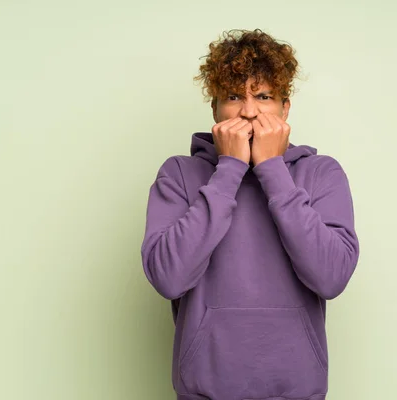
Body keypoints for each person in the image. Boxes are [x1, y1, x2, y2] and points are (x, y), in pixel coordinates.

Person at [141, 29, 360, 400]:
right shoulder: (179, 173)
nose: (249, 110)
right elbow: (168, 278)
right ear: (214, 109)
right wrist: (228, 169)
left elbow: (332, 278)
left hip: (297, 390)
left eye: (263, 96)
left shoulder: (321, 173)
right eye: (232, 97)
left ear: (284, 108)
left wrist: (273, 169)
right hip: (205, 391)